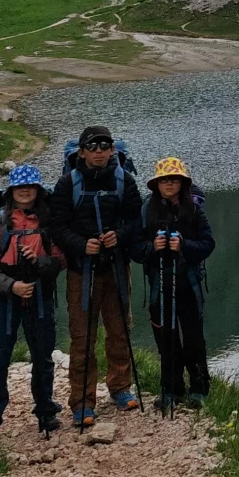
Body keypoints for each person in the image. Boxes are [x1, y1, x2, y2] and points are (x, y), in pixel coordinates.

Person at [48, 124, 144, 426]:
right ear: (82, 151)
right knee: (82, 336)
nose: (99, 151)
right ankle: (82, 401)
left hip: (116, 266)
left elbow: (136, 220)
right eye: (93, 146)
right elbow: (57, 228)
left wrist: (120, 235)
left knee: (119, 330)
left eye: (105, 145)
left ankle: (120, 387)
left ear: (113, 149)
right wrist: (82, 244)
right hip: (82, 270)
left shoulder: (124, 181)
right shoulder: (68, 184)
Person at [0, 165, 64, 439]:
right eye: (19, 187)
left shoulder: (47, 224)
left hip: (39, 296)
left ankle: (46, 412)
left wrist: (39, 262)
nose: (25, 191)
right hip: (5, 300)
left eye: (30, 186)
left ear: (37, 191)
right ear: (12, 192)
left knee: (43, 357)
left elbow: (61, 260)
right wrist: (12, 286)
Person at [134, 157, 215, 413]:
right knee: (166, 340)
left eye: (174, 179)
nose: (169, 184)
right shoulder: (146, 210)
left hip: (188, 285)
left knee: (193, 340)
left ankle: (199, 389)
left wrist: (184, 246)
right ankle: (171, 389)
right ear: (156, 184)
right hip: (160, 284)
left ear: (182, 183)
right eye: (165, 180)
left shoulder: (193, 210)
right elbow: (135, 249)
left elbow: (208, 244)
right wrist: (151, 248)